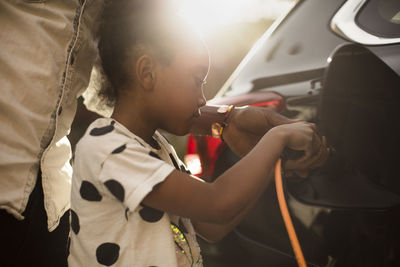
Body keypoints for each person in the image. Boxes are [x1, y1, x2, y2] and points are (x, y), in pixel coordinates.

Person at [67, 1, 329, 266]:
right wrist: (276, 139)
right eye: (197, 81)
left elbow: (212, 224)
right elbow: (217, 204)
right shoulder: (106, 149)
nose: (203, 99)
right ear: (147, 73)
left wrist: (269, 164)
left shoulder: (155, 146)